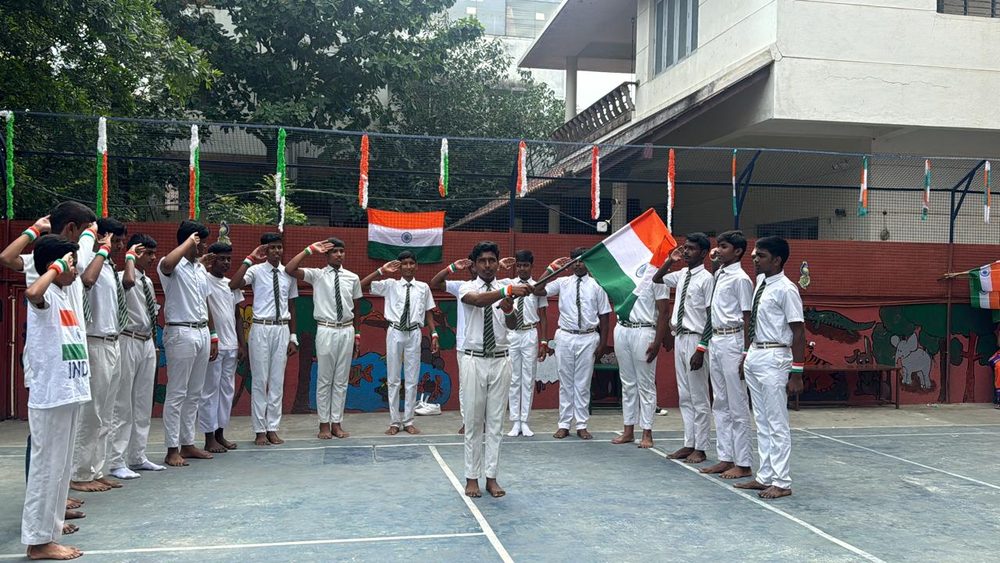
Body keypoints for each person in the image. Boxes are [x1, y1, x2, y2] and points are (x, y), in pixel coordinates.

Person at [0, 203, 95, 516]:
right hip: (48, 363)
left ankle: (55, 502)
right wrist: (33, 230)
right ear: (70, 228)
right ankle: (42, 506)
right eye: (84, 234)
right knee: (43, 444)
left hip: (67, 360)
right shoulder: (42, 261)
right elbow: (6, 259)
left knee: (58, 448)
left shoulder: (67, 263)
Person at [21, 235, 89, 561]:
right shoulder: (44, 294)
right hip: (51, 397)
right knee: (46, 469)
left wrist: (68, 263)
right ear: (55, 266)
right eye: (71, 263)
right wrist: (56, 266)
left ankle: (50, 533)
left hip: (69, 393)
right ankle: (37, 541)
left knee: (60, 470)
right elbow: (32, 291)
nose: (75, 268)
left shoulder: (65, 295)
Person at [733, 236, 805, 499]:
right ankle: (765, 476)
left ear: (776, 260)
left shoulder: (787, 289)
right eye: (754, 255)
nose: (754, 259)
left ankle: (782, 481)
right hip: (756, 354)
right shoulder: (760, 284)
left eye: (760, 255)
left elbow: (798, 330)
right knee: (761, 421)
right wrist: (746, 355)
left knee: (777, 423)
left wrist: (796, 371)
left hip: (775, 356)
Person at [458, 241, 530, 498]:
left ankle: (491, 477)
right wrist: (507, 292)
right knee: (474, 422)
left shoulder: (504, 288)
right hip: (474, 359)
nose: (488, 265)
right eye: (483, 261)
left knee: (496, 423)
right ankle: (471, 477)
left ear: (498, 263)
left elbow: (512, 324)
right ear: (475, 264)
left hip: (501, 358)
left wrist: (509, 309)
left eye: (492, 261)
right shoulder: (468, 287)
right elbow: (478, 302)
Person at [286, 238, 362, 439]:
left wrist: (357, 334)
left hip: (346, 330)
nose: (339, 255)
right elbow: (290, 269)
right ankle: (323, 424)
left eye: (341, 251)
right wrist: (309, 250)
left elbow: (357, 307)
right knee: (324, 379)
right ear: (327, 255)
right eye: (335, 251)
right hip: (326, 330)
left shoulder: (352, 277)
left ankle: (337, 422)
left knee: (341, 380)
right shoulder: (317, 275)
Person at [72, 217, 128, 491]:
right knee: (91, 412)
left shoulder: (109, 266)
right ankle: (80, 474)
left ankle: (97, 469)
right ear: (101, 238)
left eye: (120, 241)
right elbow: (86, 280)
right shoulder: (89, 261)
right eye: (114, 240)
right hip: (94, 342)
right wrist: (101, 249)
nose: (118, 246)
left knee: (107, 413)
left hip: (113, 342)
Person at [229, 233, 299, 446]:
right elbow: (234, 284)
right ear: (265, 250)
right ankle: (259, 429)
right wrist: (249, 258)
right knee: (260, 380)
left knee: (277, 381)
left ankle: (272, 428)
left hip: (282, 329)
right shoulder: (255, 271)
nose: (277, 251)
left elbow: (292, 306)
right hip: (261, 327)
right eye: (272, 248)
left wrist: (293, 337)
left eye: (279, 247)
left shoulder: (289, 274)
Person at [158, 220, 218, 467]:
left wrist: (213, 335)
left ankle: (187, 443)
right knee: (177, 393)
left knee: (195, 392)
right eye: (200, 242)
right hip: (180, 332)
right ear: (189, 241)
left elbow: (205, 302)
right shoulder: (170, 265)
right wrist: (188, 244)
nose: (204, 246)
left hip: (201, 331)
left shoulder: (199, 269)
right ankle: (172, 448)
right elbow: (169, 264)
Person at [534, 249, 610, 440]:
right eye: (574, 261)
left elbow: (605, 316)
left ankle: (582, 424)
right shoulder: (563, 283)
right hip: (566, 337)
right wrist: (551, 268)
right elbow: (537, 289)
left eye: (581, 261)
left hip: (588, 337)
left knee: (582, 383)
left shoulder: (596, 285)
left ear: (588, 263)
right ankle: (564, 424)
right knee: (566, 382)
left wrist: (603, 343)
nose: (577, 265)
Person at [361, 251, 439, 435]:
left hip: (414, 332)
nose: (408, 266)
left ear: (417, 266)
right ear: (399, 266)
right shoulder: (390, 285)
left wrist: (434, 333)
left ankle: (409, 420)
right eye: (404, 263)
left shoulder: (423, 287)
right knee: (393, 378)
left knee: (412, 379)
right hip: (395, 331)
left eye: (412, 263)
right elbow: (361, 285)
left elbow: (429, 311)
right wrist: (382, 270)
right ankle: (395, 422)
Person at [653, 233, 714, 464]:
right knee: (685, 395)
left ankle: (701, 446)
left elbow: (710, 316)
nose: (686, 252)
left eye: (691, 249)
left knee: (699, 395)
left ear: (703, 253)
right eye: (685, 248)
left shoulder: (706, 279)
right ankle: (689, 442)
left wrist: (702, 347)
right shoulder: (682, 274)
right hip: (679, 336)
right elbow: (657, 279)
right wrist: (671, 259)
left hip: (695, 338)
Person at [108, 233, 165, 478]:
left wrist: (154, 342)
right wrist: (130, 256)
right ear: (135, 252)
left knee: (142, 402)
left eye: (153, 253)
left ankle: (138, 456)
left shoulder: (149, 282)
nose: (153, 258)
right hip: (127, 339)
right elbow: (129, 281)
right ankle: (116, 460)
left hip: (146, 342)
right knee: (123, 404)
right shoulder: (122, 276)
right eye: (148, 253)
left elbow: (151, 314)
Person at [698, 231, 754, 479]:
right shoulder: (719, 274)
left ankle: (743, 462)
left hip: (733, 340)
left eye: (724, 246)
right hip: (717, 340)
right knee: (720, 401)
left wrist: (745, 351)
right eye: (717, 246)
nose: (718, 250)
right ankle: (725, 456)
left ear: (738, 251)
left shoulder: (741, 279)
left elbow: (748, 318)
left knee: (737, 403)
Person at [610, 269, 668, 449]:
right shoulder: (623, 273)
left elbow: (664, 312)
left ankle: (647, 432)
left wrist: (657, 341)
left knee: (646, 384)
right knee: (627, 383)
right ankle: (628, 430)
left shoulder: (658, 276)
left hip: (644, 330)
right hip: (622, 328)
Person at [200, 241, 245, 452]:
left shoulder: (231, 284)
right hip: (214, 344)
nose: (226, 263)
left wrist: (241, 344)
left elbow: (237, 316)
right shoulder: (204, 280)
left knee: (226, 390)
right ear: (212, 260)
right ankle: (208, 437)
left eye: (228, 259)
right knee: (210, 390)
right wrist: (212, 337)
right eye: (221, 259)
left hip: (232, 345)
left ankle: (220, 433)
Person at [429, 254, 478, 435]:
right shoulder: (461, 287)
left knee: (485, 387)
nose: (476, 269)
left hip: (486, 345)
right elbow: (435, 282)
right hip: (464, 345)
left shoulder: (495, 286)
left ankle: (483, 423)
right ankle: (467, 422)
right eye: (472, 266)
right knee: (465, 386)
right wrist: (453, 267)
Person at [503, 250, 548, 438]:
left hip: (530, 332)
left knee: (528, 378)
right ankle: (515, 421)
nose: (522, 268)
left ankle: (525, 421)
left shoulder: (537, 287)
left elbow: (543, 316)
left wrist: (544, 341)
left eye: (525, 265)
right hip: (513, 334)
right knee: (514, 379)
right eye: (519, 265)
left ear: (531, 266)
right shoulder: (509, 284)